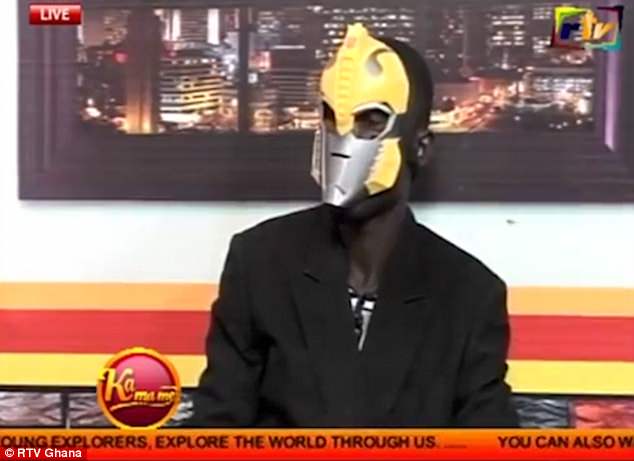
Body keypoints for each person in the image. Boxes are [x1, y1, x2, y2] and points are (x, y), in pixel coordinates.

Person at [192, 24, 519, 427]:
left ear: (420, 147)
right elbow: (216, 429)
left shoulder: (468, 294)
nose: (343, 141)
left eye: (370, 122)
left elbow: (486, 440)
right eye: (332, 120)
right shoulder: (259, 262)